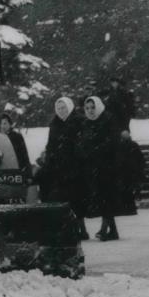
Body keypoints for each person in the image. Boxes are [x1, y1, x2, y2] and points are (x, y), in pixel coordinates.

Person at [37, 96, 89, 240]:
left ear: (70, 107)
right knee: (62, 199)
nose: (61, 111)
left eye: (64, 108)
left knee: (77, 199)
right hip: (59, 167)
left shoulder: (79, 121)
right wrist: (49, 158)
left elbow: (83, 142)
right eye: (59, 108)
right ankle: (67, 228)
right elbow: (51, 144)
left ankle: (82, 228)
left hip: (75, 166)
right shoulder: (54, 124)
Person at [79, 96, 119, 241]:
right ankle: (113, 230)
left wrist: (98, 149)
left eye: (92, 107)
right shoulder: (86, 123)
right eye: (87, 108)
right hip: (93, 166)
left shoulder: (107, 119)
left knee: (106, 196)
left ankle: (104, 229)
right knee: (102, 198)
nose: (90, 111)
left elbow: (112, 141)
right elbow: (83, 141)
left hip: (107, 165)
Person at [114, 129, 147, 218]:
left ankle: (128, 209)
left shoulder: (130, 145)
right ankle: (128, 209)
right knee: (127, 192)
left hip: (129, 172)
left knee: (127, 191)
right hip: (127, 172)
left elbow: (140, 159)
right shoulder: (127, 145)